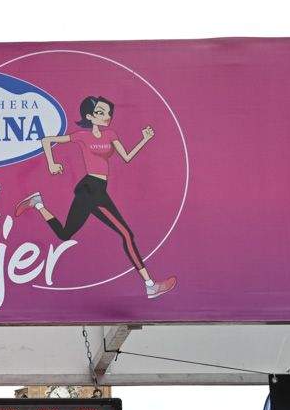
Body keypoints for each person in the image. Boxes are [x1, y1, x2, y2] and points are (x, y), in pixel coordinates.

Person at [15, 95, 177, 300]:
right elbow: (46, 140)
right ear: (90, 116)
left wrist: (144, 139)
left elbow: (126, 157)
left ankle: (38, 204)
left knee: (65, 234)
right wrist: (51, 164)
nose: (106, 116)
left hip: (97, 189)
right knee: (126, 235)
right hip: (91, 189)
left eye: (108, 113)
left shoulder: (111, 134)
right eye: (101, 113)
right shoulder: (82, 136)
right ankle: (150, 285)